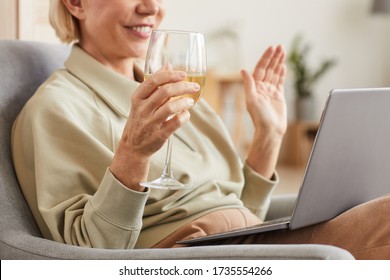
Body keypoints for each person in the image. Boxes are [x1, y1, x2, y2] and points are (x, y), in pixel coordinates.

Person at [11, 0, 390, 259]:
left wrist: (268, 136)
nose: (151, 7)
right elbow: (84, 254)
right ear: (75, 2)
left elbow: (238, 207)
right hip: (192, 259)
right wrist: (134, 153)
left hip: (241, 245)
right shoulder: (54, 109)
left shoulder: (175, 91)